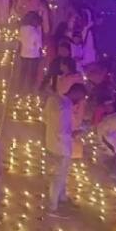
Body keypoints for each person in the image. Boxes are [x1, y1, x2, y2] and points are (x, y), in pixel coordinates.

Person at [43, 83, 88, 219]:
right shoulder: (66, 107)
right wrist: (75, 133)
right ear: (77, 93)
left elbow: (45, 118)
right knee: (58, 178)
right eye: (81, 97)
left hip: (50, 143)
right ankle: (52, 207)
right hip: (61, 148)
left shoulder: (53, 100)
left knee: (60, 176)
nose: (81, 101)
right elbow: (62, 132)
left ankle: (62, 199)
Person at [18, 11, 43, 92]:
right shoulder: (35, 31)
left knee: (23, 71)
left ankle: (20, 87)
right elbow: (38, 42)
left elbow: (20, 40)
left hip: (24, 53)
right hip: (33, 54)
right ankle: (30, 89)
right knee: (32, 73)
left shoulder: (22, 28)